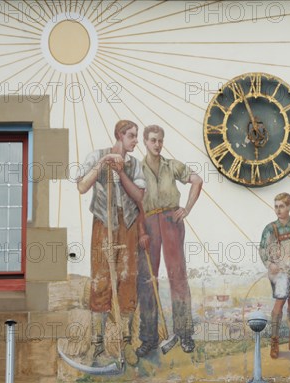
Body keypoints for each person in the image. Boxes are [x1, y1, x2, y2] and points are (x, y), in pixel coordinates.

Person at [77, 120, 146, 366]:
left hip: (127, 223)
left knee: (128, 278)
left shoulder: (135, 164)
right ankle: (96, 345)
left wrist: (120, 172)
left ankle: (126, 343)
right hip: (103, 222)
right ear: (119, 135)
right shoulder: (97, 155)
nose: (136, 140)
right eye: (131, 136)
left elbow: (139, 197)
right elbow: (82, 186)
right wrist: (102, 164)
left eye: (136, 136)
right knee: (100, 279)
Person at [136, 125, 203, 357]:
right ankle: (148, 338)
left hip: (171, 219)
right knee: (147, 280)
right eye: (153, 140)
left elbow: (197, 180)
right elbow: (133, 202)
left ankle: (184, 334)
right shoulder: (137, 168)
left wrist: (187, 208)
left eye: (160, 141)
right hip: (148, 223)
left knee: (178, 276)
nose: (157, 144)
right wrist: (140, 230)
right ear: (145, 141)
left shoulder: (172, 165)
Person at [259, 193, 290, 359]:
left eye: (282, 206)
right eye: (276, 206)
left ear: (289, 207)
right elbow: (263, 248)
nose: (278, 209)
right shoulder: (270, 228)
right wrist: (270, 264)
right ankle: (275, 341)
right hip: (279, 273)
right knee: (279, 305)